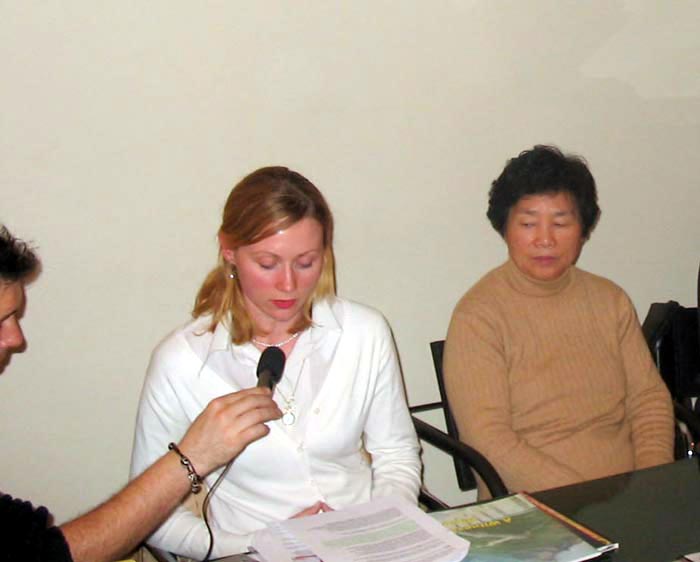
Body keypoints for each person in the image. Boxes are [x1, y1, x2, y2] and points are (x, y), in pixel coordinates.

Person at [130, 166, 421, 559]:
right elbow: (151, 516)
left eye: (306, 262)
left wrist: (376, 527)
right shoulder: (181, 362)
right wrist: (261, 543)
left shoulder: (363, 332)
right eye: (267, 264)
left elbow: (396, 454)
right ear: (229, 251)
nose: (288, 285)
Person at [0, 225, 282, 562]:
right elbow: (45, 555)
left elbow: (23, 533)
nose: (15, 338)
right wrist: (192, 457)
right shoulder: (181, 356)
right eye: (1, 320)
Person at [443, 145, 674, 499]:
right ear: (505, 228)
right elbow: (488, 439)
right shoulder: (478, 316)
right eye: (528, 223)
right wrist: (586, 498)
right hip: (531, 503)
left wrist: (652, 481)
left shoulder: (610, 300)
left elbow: (649, 401)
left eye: (561, 223)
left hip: (629, 498)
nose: (545, 239)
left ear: (583, 229)